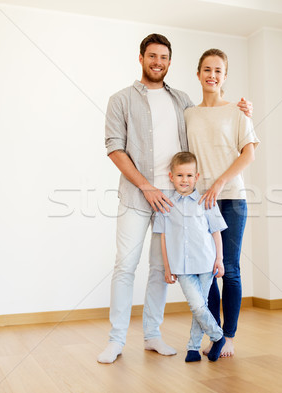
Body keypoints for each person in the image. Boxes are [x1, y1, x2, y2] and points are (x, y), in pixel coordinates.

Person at [99, 34, 252, 364]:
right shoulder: (121, 99)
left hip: (177, 201)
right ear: (141, 58)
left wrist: (245, 111)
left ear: (170, 62)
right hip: (138, 196)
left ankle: (152, 335)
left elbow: (216, 117)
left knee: (159, 271)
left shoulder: (182, 101)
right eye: (152, 55)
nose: (158, 62)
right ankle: (116, 340)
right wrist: (146, 186)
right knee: (125, 265)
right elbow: (114, 147)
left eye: (164, 57)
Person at [185, 48, 260, 358]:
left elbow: (249, 153)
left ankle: (228, 336)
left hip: (230, 198)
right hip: (198, 202)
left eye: (218, 70)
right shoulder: (189, 113)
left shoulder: (237, 112)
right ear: (198, 73)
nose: (212, 75)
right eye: (207, 69)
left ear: (224, 76)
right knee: (207, 269)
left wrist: (218, 182)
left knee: (228, 268)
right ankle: (214, 334)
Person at [153, 152, 227, 362]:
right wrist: (167, 268)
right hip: (181, 266)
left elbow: (216, 232)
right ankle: (218, 336)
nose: (184, 180)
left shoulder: (206, 201)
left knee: (199, 305)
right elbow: (164, 238)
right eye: (179, 175)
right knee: (197, 305)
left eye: (188, 175)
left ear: (197, 177)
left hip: (206, 263)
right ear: (171, 176)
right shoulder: (165, 205)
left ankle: (193, 348)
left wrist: (219, 259)